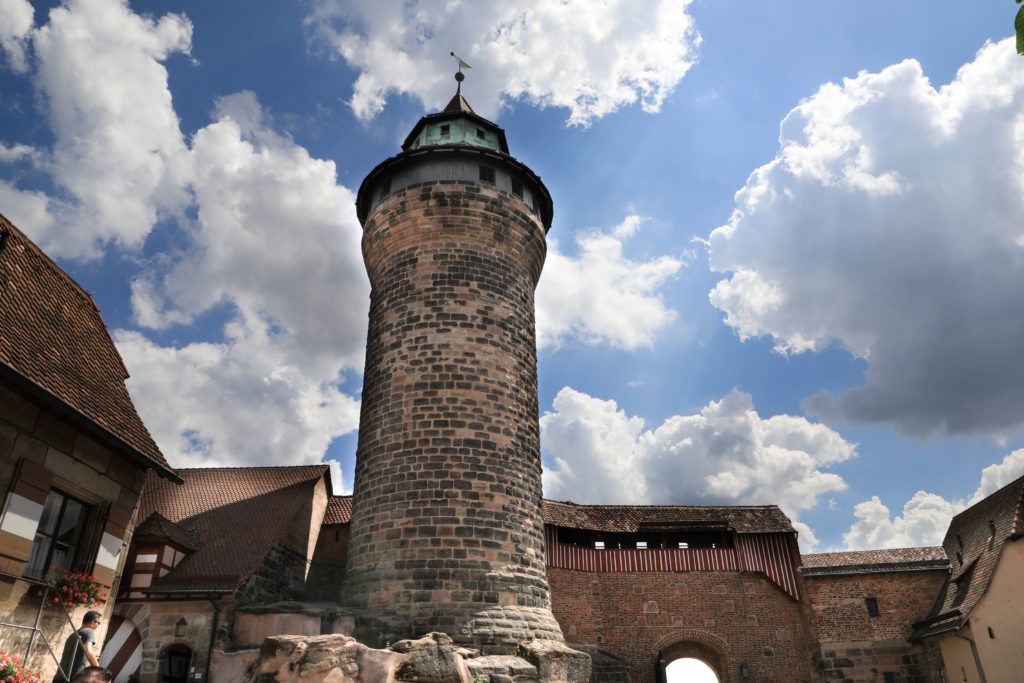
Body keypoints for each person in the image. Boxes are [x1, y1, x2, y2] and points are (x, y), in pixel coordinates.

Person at [53, 611, 101, 683]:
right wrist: (99, 672)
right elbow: (89, 651)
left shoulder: (73, 634)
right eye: (98, 623)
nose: (98, 625)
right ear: (92, 622)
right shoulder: (89, 631)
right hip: (74, 678)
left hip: (60, 676)